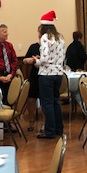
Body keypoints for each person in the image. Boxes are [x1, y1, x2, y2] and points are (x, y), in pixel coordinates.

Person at [35, 11, 65, 139]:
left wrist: (36, 61)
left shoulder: (45, 37)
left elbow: (45, 58)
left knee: (46, 103)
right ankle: (59, 129)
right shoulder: (60, 37)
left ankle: (50, 131)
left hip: (46, 74)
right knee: (55, 102)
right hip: (58, 73)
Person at [21, 28, 42, 132]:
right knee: (31, 98)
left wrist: (39, 59)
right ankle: (31, 121)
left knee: (46, 100)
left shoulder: (50, 48)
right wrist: (30, 60)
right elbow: (24, 60)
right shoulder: (34, 47)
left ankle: (45, 124)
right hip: (34, 75)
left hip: (45, 76)